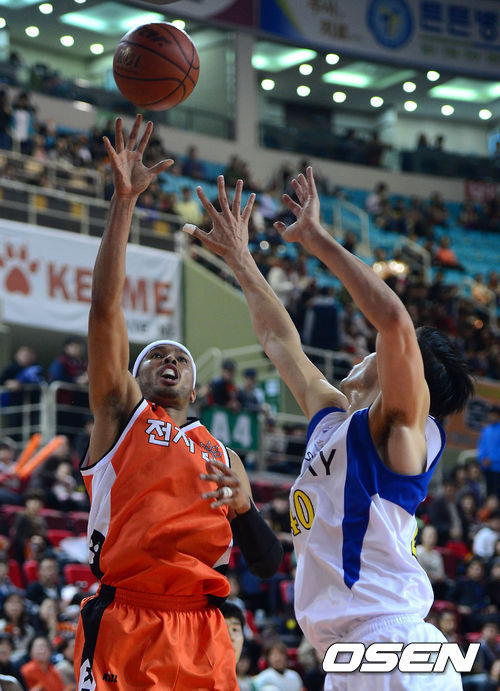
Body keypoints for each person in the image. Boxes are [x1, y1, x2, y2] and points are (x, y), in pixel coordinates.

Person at [186, 167, 475, 690]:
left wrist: (317, 239)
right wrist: (241, 260)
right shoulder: (333, 422)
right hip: (349, 654)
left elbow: (395, 324)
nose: (367, 349)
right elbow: (280, 342)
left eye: (380, 352)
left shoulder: (402, 435)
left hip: (392, 645)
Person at [73, 115, 282, 691]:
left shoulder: (223, 454)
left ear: (194, 388)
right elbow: (104, 311)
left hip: (205, 631)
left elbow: (267, 565)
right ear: (134, 377)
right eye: (155, 357)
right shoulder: (123, 414)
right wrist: (123, 202)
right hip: (128, 616)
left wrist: (245, 509)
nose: (169, 360)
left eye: (180, 358)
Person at [478, 406, 500, 500]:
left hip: (497, 468)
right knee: (487, 493)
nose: (492, 417)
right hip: (486, 468)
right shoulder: (486, 430)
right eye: (491, 415)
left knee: (496, 494)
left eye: (495, 415)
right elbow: (481, 446)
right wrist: (482, 458)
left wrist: (491, 459)